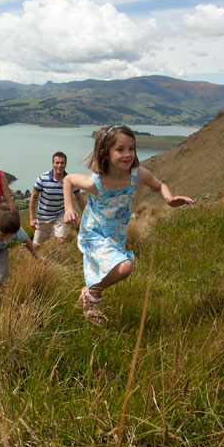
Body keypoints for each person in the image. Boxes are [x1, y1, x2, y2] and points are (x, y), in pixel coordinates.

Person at [63, 124, 193, 325]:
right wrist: (69, 208)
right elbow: (69, 180)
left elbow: (159, 185)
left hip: (116, 236)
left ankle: (91, 305)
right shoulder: (96, 181)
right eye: (120, 149)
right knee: (124, 267)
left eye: (131, 148)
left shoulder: (137, 175)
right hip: (94, 233)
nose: (128, 154)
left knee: (106, 269)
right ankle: (91, 295)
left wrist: (169, 199)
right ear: (104, 153)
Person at [29, 151, 87, 246]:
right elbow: (33, 197)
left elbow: (79, 198)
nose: (59, 165)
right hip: (43, 216)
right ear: (53, 164)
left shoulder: (70, 180)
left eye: (62, 163)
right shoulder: (42, 178)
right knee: (36, 246)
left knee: (61, 241)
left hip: (59, 215)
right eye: (57, 163)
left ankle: (59, 260)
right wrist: (31, 218)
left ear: (66, 164)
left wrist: (86, 215)